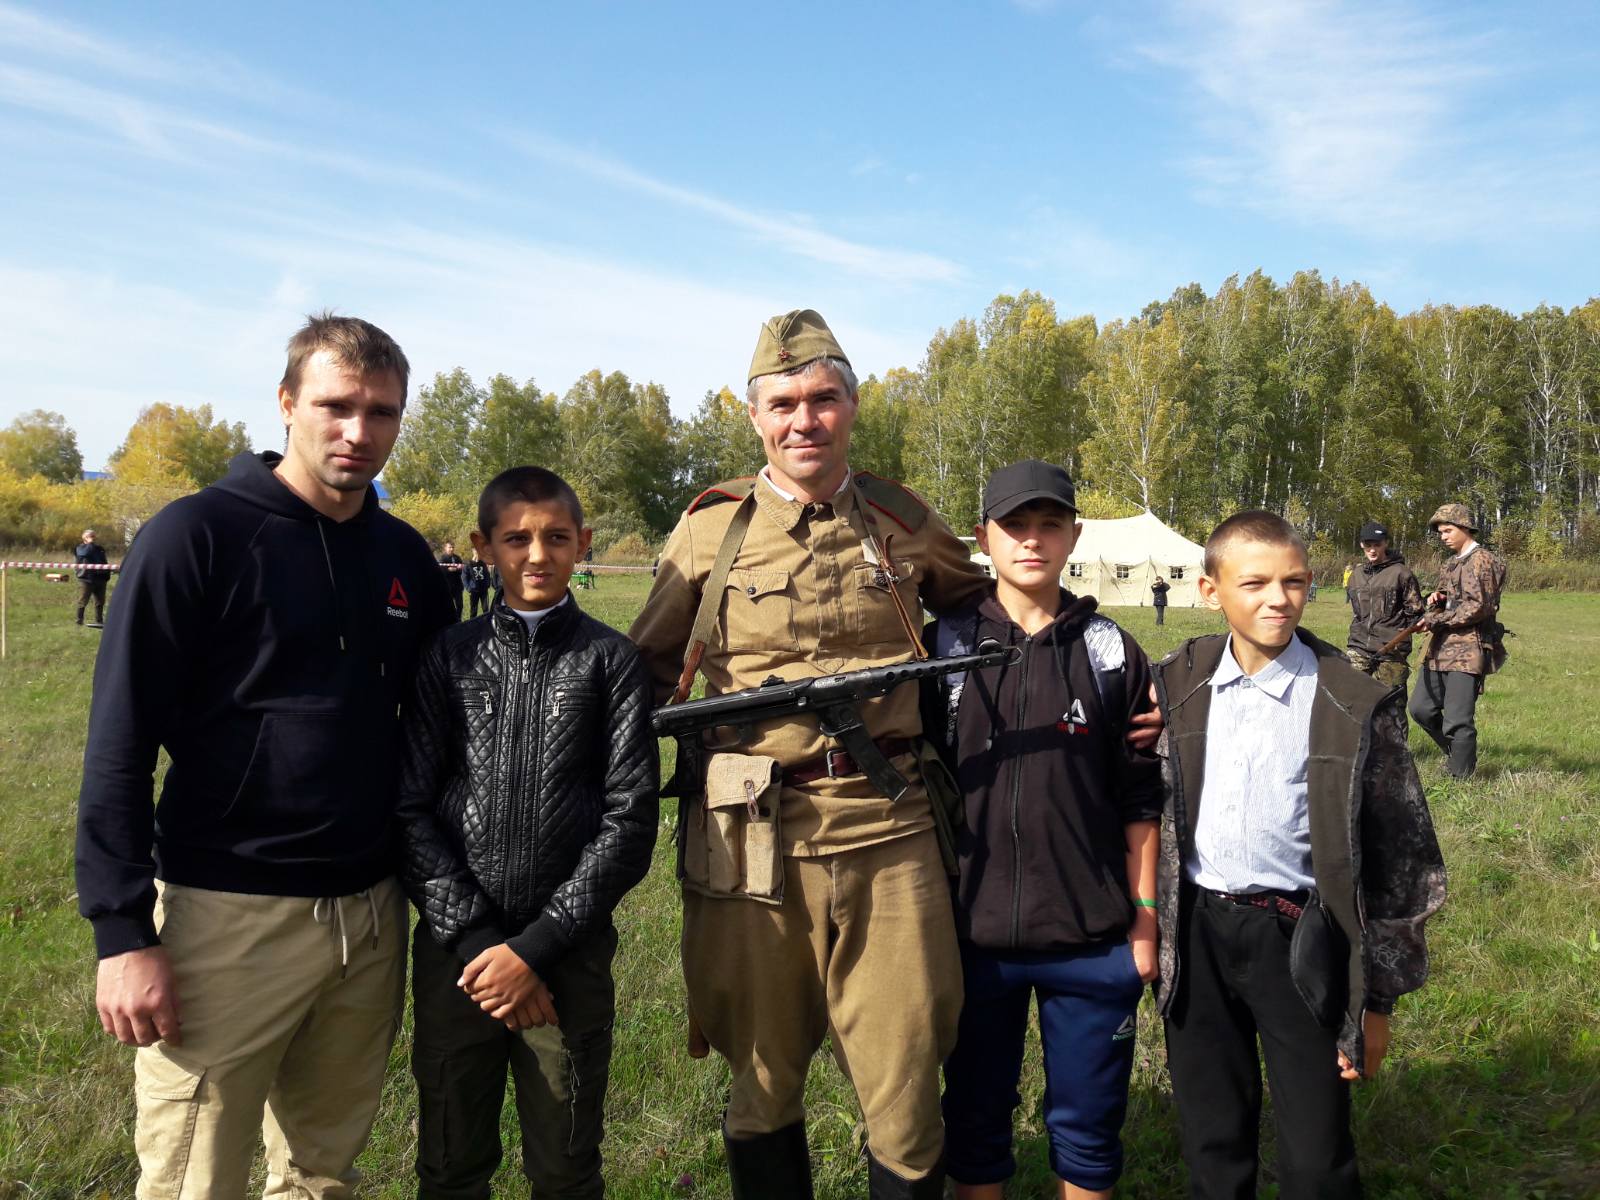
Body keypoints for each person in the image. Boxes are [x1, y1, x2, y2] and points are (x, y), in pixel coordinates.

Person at [76, 312, 454, 1198]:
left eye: (382, 412)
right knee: (193, 1175)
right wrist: (122, 932)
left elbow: (442, 730)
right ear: (287, 403)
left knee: (322, 1174)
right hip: (228, 915)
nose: (358, 432)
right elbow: (120, 744)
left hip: (370, 915)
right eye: (336, 406)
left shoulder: (403, 556)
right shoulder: (195, 537)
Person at [628, 309, 993, 1199]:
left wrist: (1095, 675)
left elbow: (987, 612)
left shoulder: (903, 518)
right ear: (754, 415)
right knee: (760, 1080)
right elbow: (641, 669)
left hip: (890, 829)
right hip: (748, 840)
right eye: (784, 404)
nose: (805, 421)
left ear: (852, 406)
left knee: (907, 1084)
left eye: (823, 399)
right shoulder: (709, 530)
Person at [1151, 510, 1446, 1199]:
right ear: (1209, 590)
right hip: (1196, 935)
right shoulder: (1176, 684)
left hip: (1299, 940)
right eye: (1254, 583)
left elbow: (1404, 862)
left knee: (1317, 1155)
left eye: (1294, 582)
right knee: (1212, 1139)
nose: (1277, 600)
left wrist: (1378, 1001)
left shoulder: (1352, 702)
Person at [396, 466, 658, 1199]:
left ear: (583, 543)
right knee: (450, 1163)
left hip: (565, 960)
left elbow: (631, 817)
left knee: (566, 1164)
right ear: (483, 546)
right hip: (459, 961)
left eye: (556, 538)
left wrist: (535, 949)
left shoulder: (611, 661)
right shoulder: (448, 656)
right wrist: (481, 946)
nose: (537, 555)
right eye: (516, 539)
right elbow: (409, 809)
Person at [924, 460, 1162, 1200]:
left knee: (1088, 1130)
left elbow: (1141, 795)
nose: (1032, 540)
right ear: (982, 538)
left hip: (1091, 937)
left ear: (1074, 536)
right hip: (970, 937)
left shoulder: (1111, 651)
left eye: (1049, 525)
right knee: (973, 1121)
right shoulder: (942, 648)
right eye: (1015, 525)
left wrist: (1144, 918)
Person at [1406, 503, 1506, 779]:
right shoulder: (1451, 563)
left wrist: (1438, 620)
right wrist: (1434, 601)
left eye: (1448, 530)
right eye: (1440, 532)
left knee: (1458, 719)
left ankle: (1461, 777)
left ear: (1465, 528)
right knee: (1421, 709)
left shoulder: (1483, 560)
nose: (1443, 537)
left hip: (1469, 650)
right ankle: (1457, 754)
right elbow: (1444, 598)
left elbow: (1479, 607)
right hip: (1439, 648)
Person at [1345, 520, 1424, 693]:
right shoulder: (1356, 575)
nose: (1372, 550)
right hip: (1359, 646)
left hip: (1392, 650)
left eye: (1377, 545)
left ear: (1386, 543)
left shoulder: (1402, 573)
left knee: (1391, 703)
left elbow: (1416, 612)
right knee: (1348, 696)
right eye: (1368, 545)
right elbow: (1357, 613)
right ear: (1361, 545)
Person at [73, 527, 110, 627]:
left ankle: (99, 621)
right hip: (86, 578)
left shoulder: (99, 548)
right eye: (90, 536)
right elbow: (85, 553)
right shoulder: (80, 548)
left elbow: (104, 561)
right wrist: (89, 543)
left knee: (100, 602)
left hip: (100, 578)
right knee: (83, 600)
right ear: (84, 538)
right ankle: (79, 620)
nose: (93, 538)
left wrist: (107, 572)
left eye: (93, 536)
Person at [462, 546, 492, 618]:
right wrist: (469, 588)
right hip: (474, 590)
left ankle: (486, 621)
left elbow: (487, 574)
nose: (477, 553)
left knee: (485, 608)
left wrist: (487, 584)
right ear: (473, 551)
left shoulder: (483, 563)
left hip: (483, 590)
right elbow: (464, 577)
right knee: (473, 609)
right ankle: (472, 622)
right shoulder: (468, 564)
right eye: (475, 551)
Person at [439, 539, 465, 620]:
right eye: (449, 547)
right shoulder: (442, 559)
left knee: (460, 605)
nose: (451, 549)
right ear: (445, 548)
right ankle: (449, 620)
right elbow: (441, 571)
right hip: (447, 586)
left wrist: (456, 569)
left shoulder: (457, 558)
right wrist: (448, 570)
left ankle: (458, 619)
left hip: (457, 586)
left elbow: (461, 569)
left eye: (452, 547)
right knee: (448, 606)